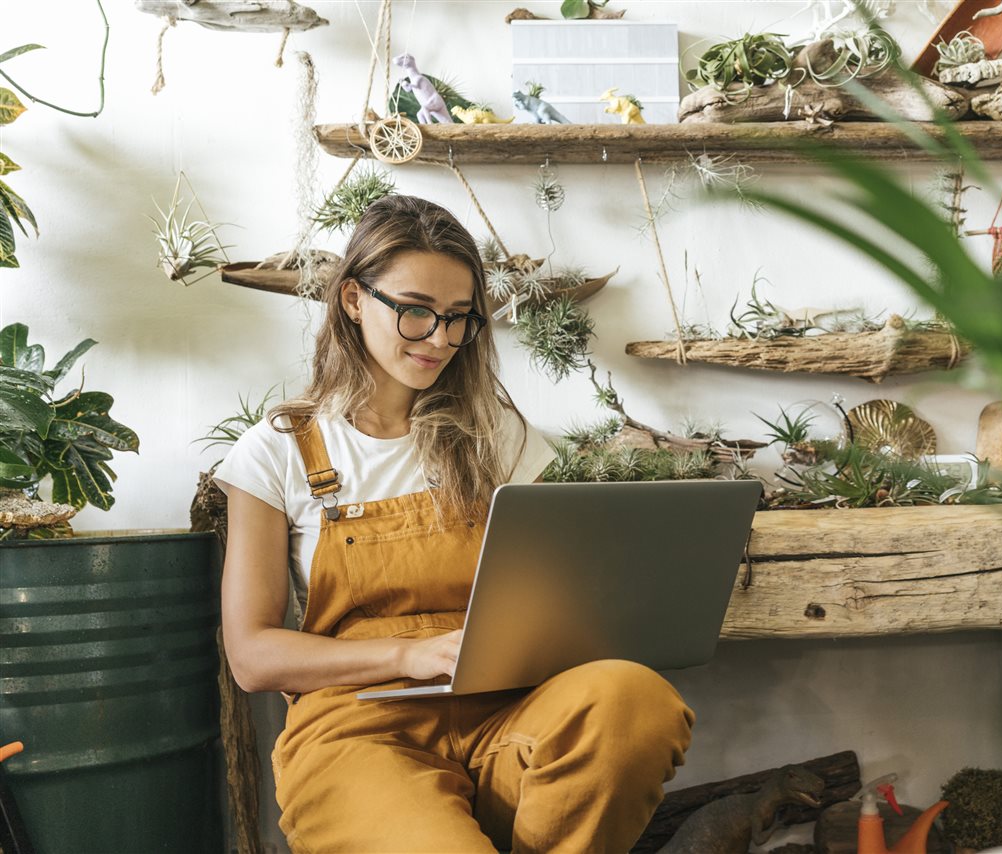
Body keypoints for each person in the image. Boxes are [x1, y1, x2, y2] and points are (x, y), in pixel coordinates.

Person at [214, 195, 695, 853]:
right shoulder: (279, 450)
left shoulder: (497, 437)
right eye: (415, 312)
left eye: (459, 318)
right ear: (354, 299)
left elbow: (556, 601)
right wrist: (410, 655)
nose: (440, 339)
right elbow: (253, 655)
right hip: (357, 731)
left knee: (633, 702)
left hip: (507, 713)